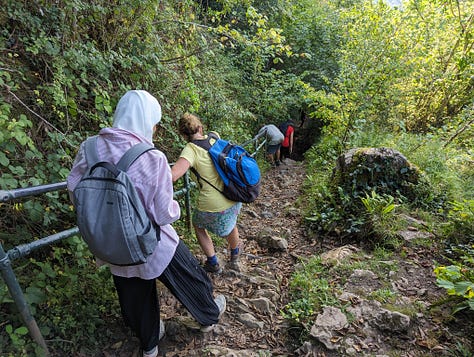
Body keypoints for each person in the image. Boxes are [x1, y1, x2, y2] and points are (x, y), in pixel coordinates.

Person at [67, 90, 226, 357]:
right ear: (146, 120)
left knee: (134, 295)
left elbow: (74, 190)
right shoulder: (151, 157)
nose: (154, 127)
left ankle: (149, 345)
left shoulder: (90, 147)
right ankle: (208, 314)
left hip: (110, 244)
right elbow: (164, 214)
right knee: (189, 275)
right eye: (155, 122)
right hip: (152, 241)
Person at [171, 113, 243, 274]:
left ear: (183, 135)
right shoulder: (214, 138)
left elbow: (174, 175)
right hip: (233, 195)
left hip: (212, 203)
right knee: (231, 223)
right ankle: (235, 257)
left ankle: (213, 263)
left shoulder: (190, 150)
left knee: (198, 225)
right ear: (200, 127)